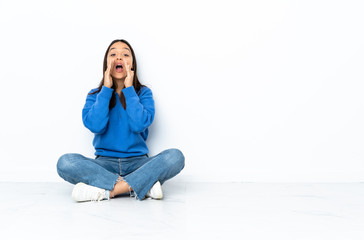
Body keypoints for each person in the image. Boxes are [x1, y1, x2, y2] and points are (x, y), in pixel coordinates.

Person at [56, 39, 185, 202]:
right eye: (113, 54)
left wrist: (129, 89)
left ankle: (107, 191)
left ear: (132, 64)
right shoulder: (95, 95)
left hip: (138, 163)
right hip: (104, 165)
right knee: (65, 162)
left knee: (175, 157)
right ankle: (142, 185)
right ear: (106, 63)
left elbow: (138, 125)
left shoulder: (143, 93)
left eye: (125, 54)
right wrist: (106, 90)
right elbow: (95, 126)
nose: (119, 57)